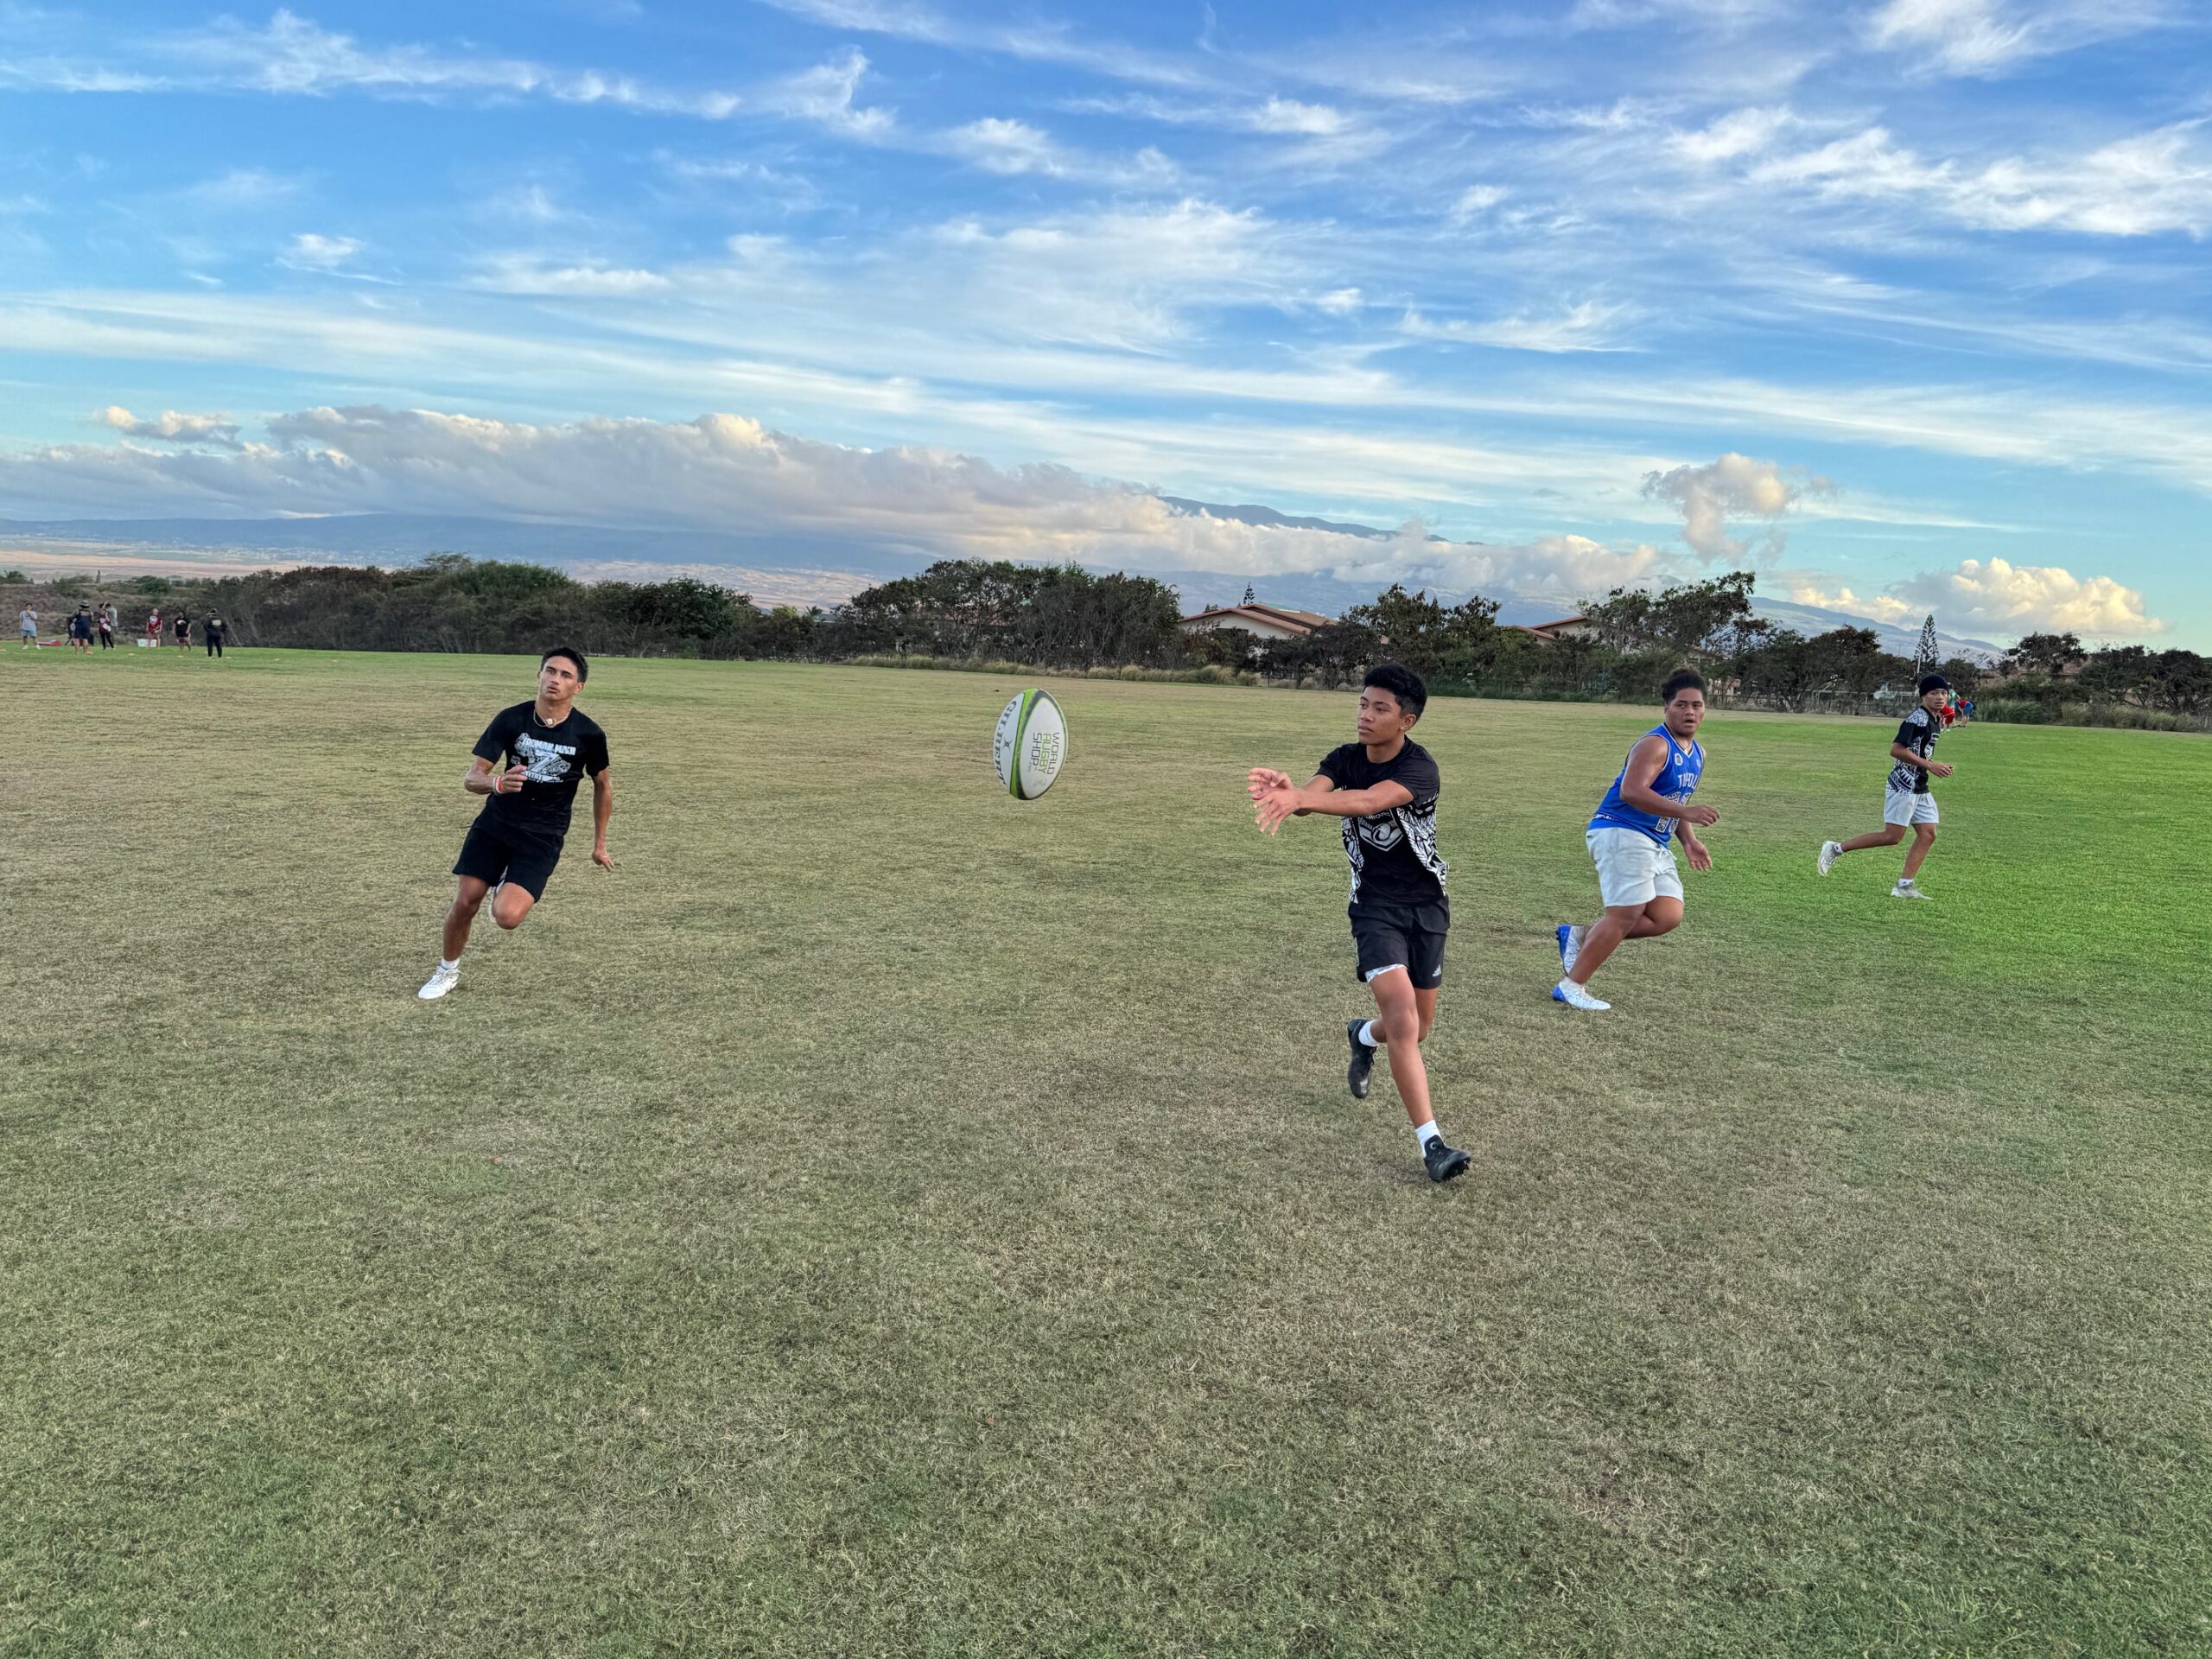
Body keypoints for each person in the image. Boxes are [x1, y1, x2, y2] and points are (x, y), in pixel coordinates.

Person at [1247, 663, 1471, 1184]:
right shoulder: (1344, 758)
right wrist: (1291, 792)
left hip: (1427, 905)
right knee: (1402, 1018)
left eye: (1380, 709)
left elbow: (1369, 801)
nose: (1365, 716)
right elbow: (1317, 795)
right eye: (1363, 704)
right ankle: (1432, 1144)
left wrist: (1302, 798)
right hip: (1373, 905)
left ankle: (1361, 1037)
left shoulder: (1420, 769)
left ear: (1406, 721)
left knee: (1415, 1029)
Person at [417, 647, 614, 1001]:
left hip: (542, 835)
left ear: (579, 687)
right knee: (466, 901)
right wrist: (496, 783)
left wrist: (599, 844)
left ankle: (505, 885)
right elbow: (472, 777)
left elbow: (603, 785)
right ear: (538, 675)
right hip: (496, 824)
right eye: (550, 671)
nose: (555, 679)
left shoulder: (589, 734)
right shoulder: (511, 719)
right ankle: (446, 971)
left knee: (507, 916)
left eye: (566, 675)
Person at [1552, 667, 1717, 1014]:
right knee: (1625, 913)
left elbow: (1678, 801)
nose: (1690, 712)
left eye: (1697, 705)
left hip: (1655, 840)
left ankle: (1580, 936)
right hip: (1621, 830)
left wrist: (1688, 841)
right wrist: (1686, 815)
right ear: (1666, 708)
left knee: (1666, 916)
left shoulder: (1698, 752)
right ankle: (1572, 986)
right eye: (1681, 705)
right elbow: (1631, 791)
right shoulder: (1655, 744)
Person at [1817, 673, 1954, 900]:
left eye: (1943, 693)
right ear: (1923, 697)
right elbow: (1896, 750)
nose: (1939, 697)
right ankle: (1835, 848)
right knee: (1892, 836)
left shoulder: (1933, 719)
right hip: (1903, 784)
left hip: (1919, 785)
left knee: (1928, 834)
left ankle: (1904, 886)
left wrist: (1933, 766)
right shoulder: (1916, 719)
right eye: (1933, 693)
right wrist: (1930, 765)